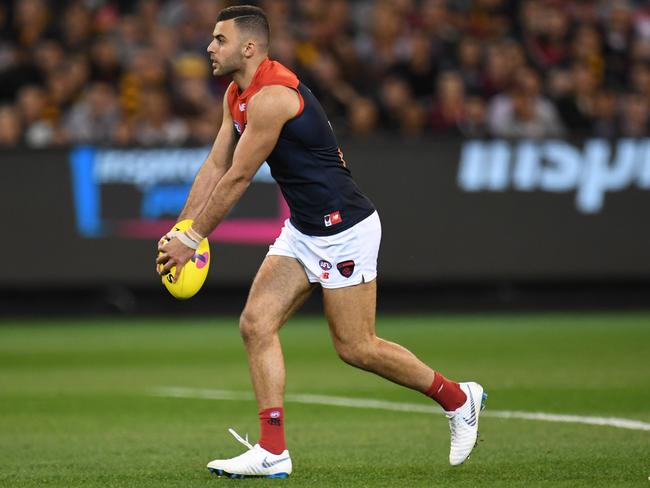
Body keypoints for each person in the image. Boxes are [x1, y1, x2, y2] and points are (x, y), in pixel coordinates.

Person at [156, 5, 486, 479]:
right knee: (255, 324)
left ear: (249, 47)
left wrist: (193, 238)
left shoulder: (272, 97)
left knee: (356, 347)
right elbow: (214, 166)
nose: (209, 46)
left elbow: (239, 176)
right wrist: (180, 230)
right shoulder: (237, 93)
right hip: (307, 229)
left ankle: (459, 398)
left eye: (219, 39)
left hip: (344, 229)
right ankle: (273, 451)